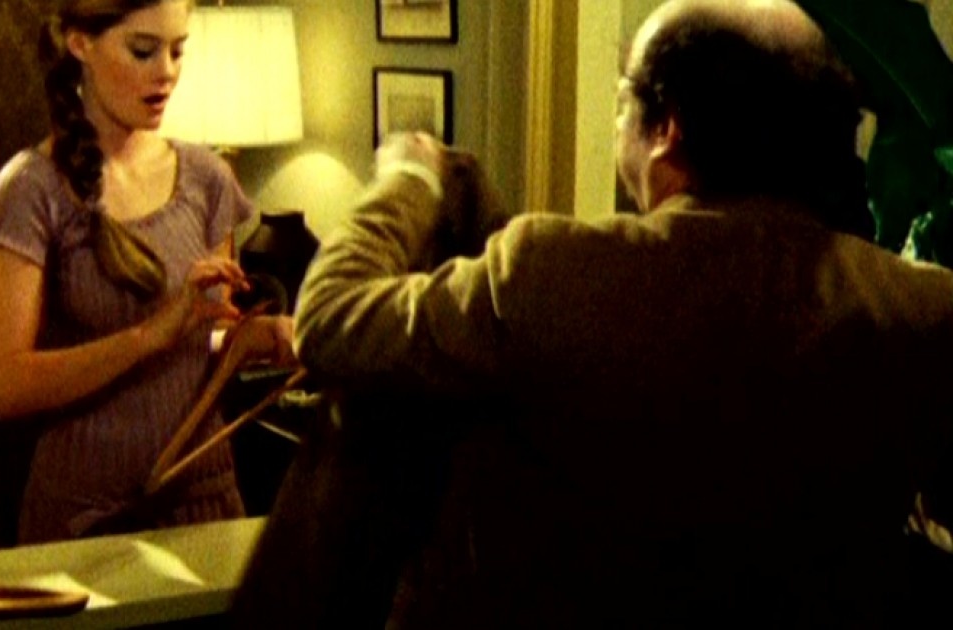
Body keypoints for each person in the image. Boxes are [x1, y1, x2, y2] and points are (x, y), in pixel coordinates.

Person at [281, 0, 953, 625]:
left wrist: (408, 181)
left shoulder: (544, 269)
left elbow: (333, 318)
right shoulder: (924, 308)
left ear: (667, 129)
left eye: (623, 97)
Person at [0, 0, 292, 544]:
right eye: (143, 51)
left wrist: (253, 339)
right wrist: (147, 336)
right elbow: (2, 385)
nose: (166, 72)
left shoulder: (207, 177)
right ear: (81, 44)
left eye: (177, 51)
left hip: (203, 501)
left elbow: (205, 342)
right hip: (85, 517)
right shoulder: (32, 188)